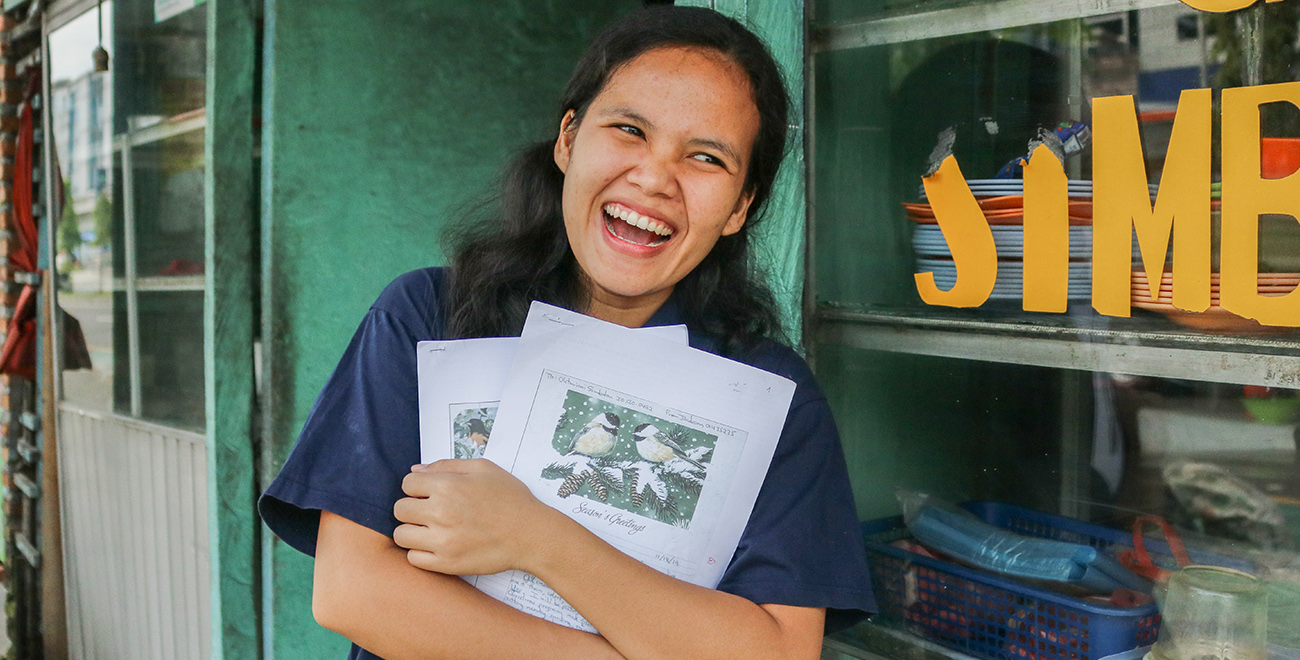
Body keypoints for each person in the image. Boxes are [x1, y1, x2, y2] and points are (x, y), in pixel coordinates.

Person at [258, 6, 875, 659]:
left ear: (740, 206)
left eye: (704, 157)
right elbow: (354, 592)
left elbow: (778, 653)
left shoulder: (768, 395)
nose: (654, 177)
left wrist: (536, 538)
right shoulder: (428, 317)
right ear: (568, 141)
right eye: (629, 129)